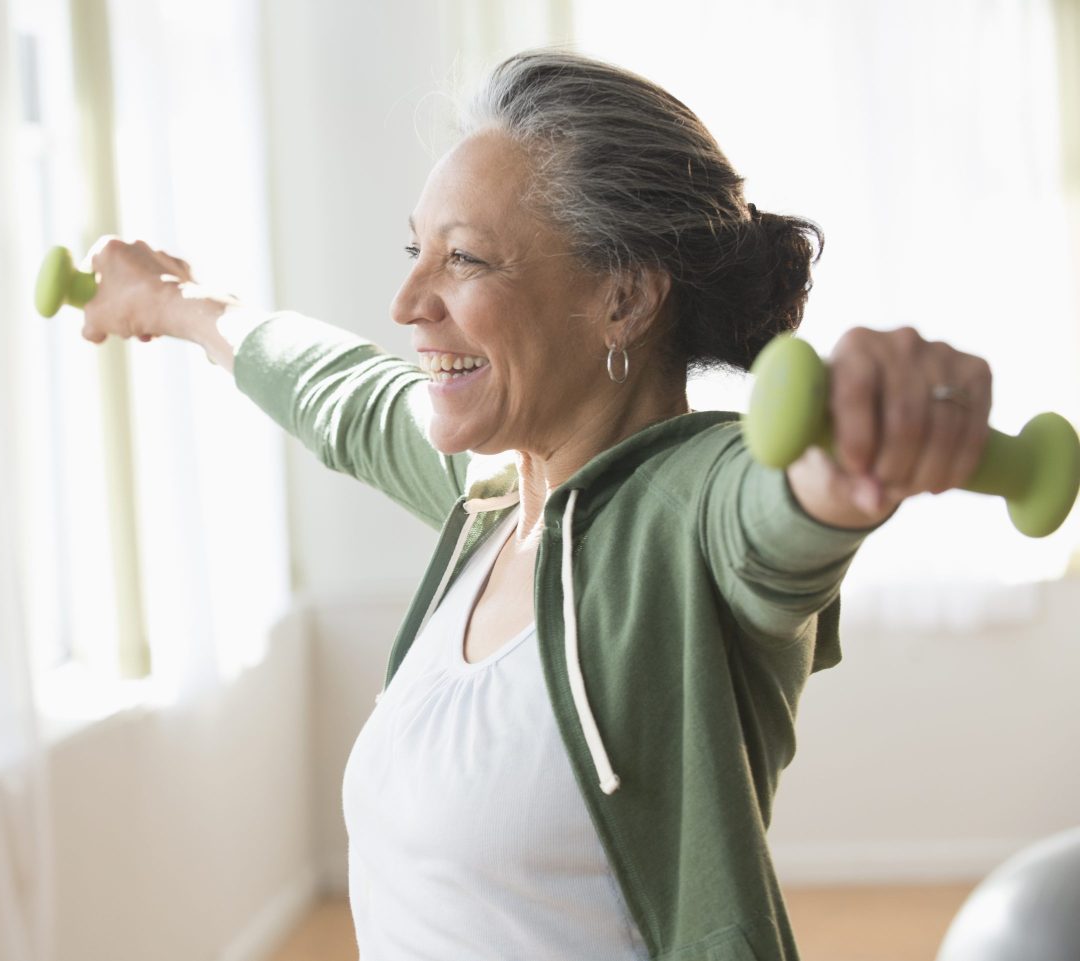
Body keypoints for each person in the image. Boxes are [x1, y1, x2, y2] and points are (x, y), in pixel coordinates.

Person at [76, 49, 993, 961]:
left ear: (624, 297)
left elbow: (771, 512)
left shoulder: (686, 512)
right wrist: (178, 304)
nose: (407, 302)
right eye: (416, 251)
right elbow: (343, 396)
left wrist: (850, 459)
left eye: (464, 259)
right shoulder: (495, 501)